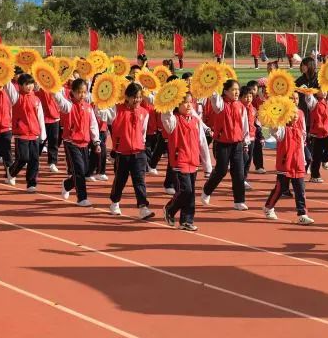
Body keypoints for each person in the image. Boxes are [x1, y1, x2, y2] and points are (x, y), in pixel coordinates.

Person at [103, 83, 155, 220]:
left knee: (139, 181)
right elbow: (103, 115)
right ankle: (115, 202)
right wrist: (100, 103)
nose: (137, 100)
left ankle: (143, 207)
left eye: (139, 97)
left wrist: (140, 144)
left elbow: (143, 132)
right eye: (134, 97)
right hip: (122, 152)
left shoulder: (144, 112)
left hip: (139, 152)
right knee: (120, 180)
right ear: (127, 97)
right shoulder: (117, 110)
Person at [162, 92, 210, 231]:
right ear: (177, 104)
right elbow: (166, 117)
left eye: (190, 102)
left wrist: (207, 166)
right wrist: (169, 102)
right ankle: (170, 209)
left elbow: (202, 143)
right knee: (185, 190)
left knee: (191, 193)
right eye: (184, 102)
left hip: (193, 161)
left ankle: (186, 220)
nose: (188, 105)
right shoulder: (174, 120)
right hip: (179, 161)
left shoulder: (196, 121)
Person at [201, 79, 250, 210]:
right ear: (225, 91)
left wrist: (246, 141)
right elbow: (215, 98)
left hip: (237, 144)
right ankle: (206, 190)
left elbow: (244, 125)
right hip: (222, 143)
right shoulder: (220, 104)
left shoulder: (241, 106)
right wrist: (213, 84)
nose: (236, 92)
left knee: (238, 172)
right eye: (233, 90)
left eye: (237, 90)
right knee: (221, 171)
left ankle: (239, 201)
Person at [52, 78, 101, 206]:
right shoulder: (68, 106)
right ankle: (82, 198)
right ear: (72, 92)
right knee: (79, 170)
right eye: (79, 92)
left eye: (84, 92)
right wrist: (52, 89)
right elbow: (59, 99)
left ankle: (67, 185)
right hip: (71, 142)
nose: (82, 95)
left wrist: (96, 141)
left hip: (84, 143)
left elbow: (93, 125)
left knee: (83, 171)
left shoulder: (88, 107)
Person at [263, 106, 314, 225]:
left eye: (296, 113)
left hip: (298, 165)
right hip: (285, 164)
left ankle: (302, 214)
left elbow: (301, 147)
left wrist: (304, 162)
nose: (296, 115)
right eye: (292, 113)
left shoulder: (299, 130)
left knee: (300, 190)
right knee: (280, 188)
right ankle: (268, 208)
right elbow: (274, 130)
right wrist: (273, 115)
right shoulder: (282, 129)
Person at [6, 74, 46, 192]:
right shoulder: (16, 97)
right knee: (23, 158)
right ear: (20, 85)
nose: (29, 86)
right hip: (21, 133)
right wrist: (4, 74)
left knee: (34, 159)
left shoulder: (36, 99)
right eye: (26, 84)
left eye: (31, 84)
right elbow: (8, 86)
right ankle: (11, 171)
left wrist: (42, 133)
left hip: (34, 133)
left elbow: (40, 117)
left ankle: (31, 183)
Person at [307, 89, 328, 183]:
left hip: (327, 131)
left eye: (325, 91)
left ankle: (325, 160)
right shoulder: (314, 103)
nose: (324, 92)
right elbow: (309, 99)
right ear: (316, 92)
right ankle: (315, 175)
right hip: (317, 133)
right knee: (316, 155)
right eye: (321, 90)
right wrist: (308, 93)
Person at [36, 78, 62, 173]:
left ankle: (52, 162)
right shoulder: (38, 87)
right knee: (40, 141)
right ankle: (35, 159)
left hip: (54, 118)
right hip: (42, 118)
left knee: (53, 141)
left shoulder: (56, 86)